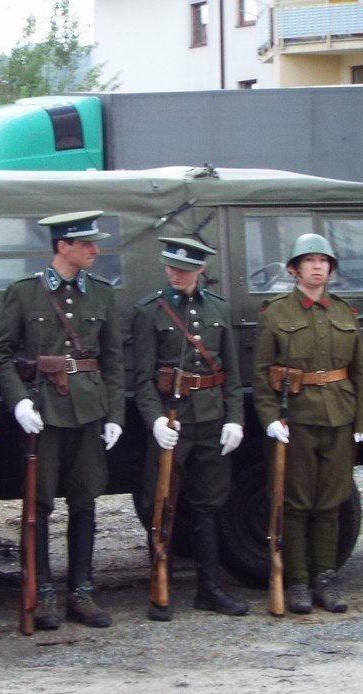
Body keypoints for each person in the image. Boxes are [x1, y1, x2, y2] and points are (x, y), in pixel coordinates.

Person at [0, 211, 124, 629]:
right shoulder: (25, 293)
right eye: (86, 244)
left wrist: (114, 414)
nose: (95, 251)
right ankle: (43, 591)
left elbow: (114, 361)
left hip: (87, 410)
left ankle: (81, 592)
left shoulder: (101, 294)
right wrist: (18, 403)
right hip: (43, 410)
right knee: (39, 505)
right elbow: (0, 353)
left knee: (85, 500)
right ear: (62, 246)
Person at [252, 233, 363, 614]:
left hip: (339, 414)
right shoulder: (276, 313)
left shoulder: (344, 313)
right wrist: (270, 419)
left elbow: (359, 373)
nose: (318, 266)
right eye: (310, 260)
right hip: (297, 418)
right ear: (294, 268)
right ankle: (299, 580)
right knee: (297, 503)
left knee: (331, 503)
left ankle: (326, 578)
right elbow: (260, 374)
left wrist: (362, 419)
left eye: (324, 261)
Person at [133, 236, 248, 621]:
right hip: (172, 420)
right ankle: (159, 586)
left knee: (210, 505)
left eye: (184, 268)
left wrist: (235, 418)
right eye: (170, 267)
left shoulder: (217, 308)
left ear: (200, 269)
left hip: (211, 418)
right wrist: (154, 421)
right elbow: (143, 379)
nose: (176, 274)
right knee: (160, 502)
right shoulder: (150, 311)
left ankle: (210, 588)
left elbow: (231, 373)